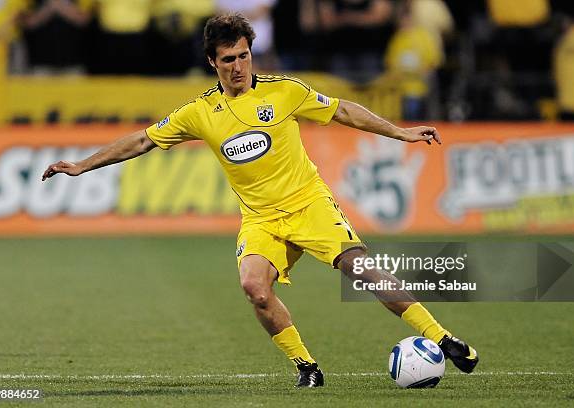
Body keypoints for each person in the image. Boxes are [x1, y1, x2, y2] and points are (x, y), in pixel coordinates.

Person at [42, 13, 479, 388]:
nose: (238, 66)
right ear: (213, 62)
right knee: (253, 286)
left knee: (360, 269)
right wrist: (82, 165)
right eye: (228, 59)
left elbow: (343, 110)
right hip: (261, 220)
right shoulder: (199, 112)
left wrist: (401, 132)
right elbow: (142, 140)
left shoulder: (283, 90)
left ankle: (442, 338)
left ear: (252, 52)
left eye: (244, 55)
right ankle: (306, 366)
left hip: (309, 204)